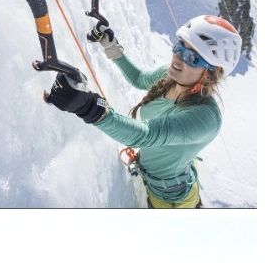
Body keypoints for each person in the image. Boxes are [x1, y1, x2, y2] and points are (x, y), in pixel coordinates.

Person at [45, 14, 242, 208]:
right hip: (159, 179)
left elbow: (146, 135)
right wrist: (112, 48)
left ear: (211, 73)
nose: (178, 58)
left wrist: (89, 107)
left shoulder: (205, 117)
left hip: (171, 199)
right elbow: (139, 79)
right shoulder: (169, 75)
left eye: (191, 57)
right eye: (179, 46)